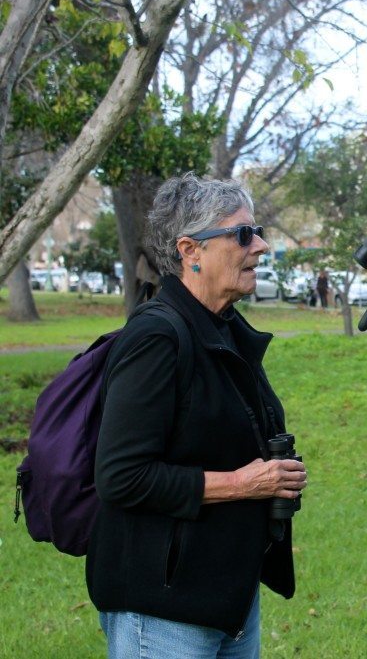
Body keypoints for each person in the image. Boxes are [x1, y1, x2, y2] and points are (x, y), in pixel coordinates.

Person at [86, 173, 308, 658]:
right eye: (243, 234)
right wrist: (243, 484)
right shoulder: (157, 338)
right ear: (191, 250)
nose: (262, 246)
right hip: (162, 608)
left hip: (227, 594)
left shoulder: (222, 328)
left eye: (258, 231)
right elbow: (121, 477)